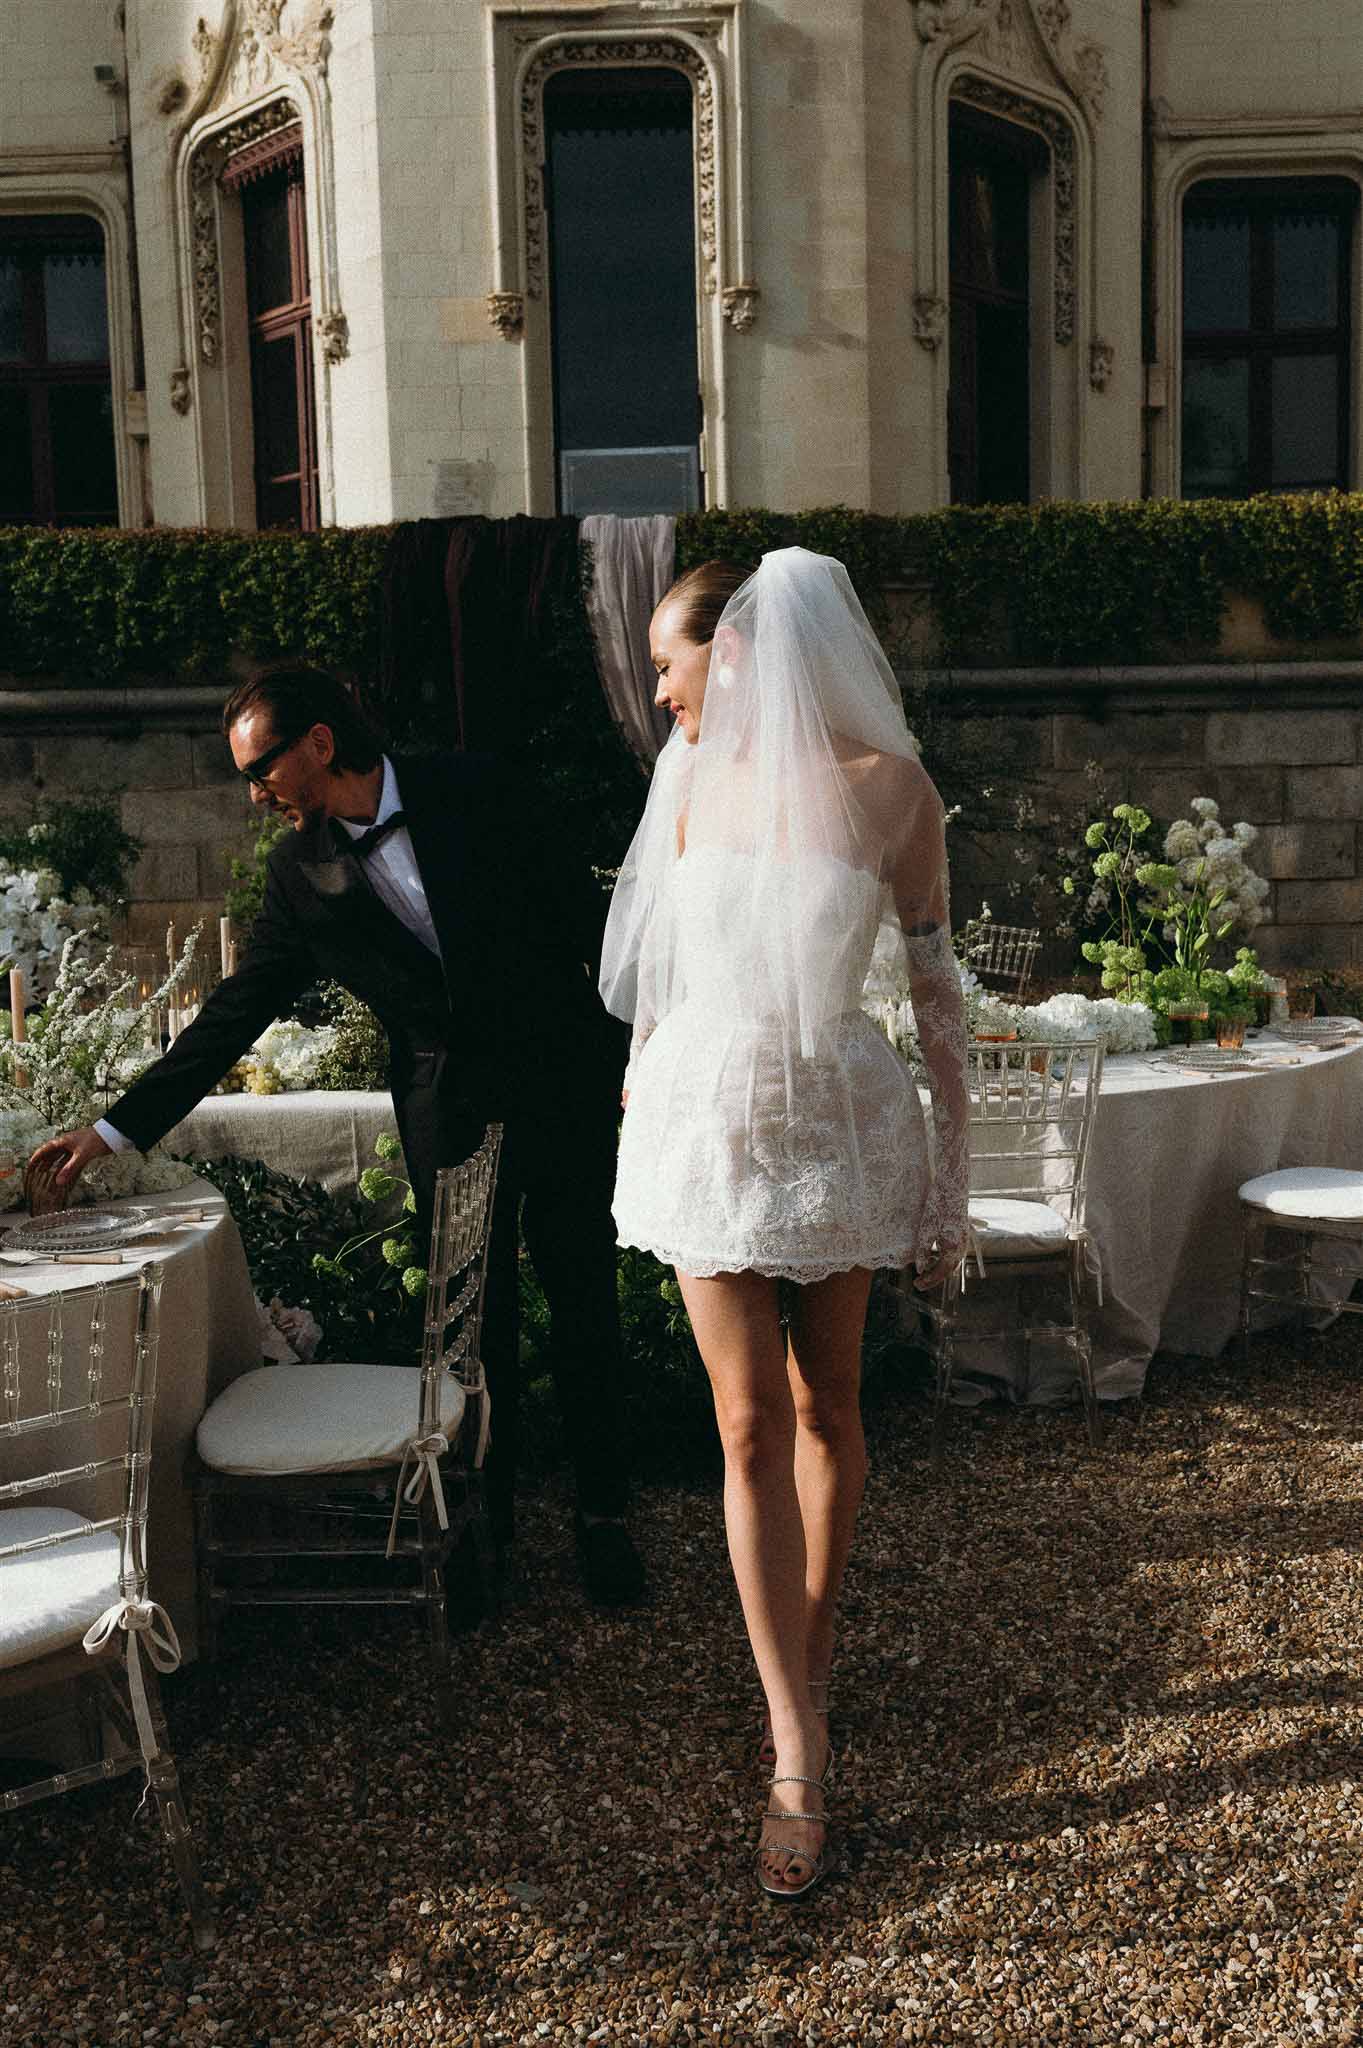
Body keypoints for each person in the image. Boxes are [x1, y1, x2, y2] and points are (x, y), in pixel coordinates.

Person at [26, 666, 646, 1608]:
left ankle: (604, 1519)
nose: (254, 792)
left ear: (319, 742)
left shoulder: (482, 787)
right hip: (448, 1107)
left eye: (261, 766)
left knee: (582, 1293)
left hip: (559, 1082)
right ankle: (482, 1527)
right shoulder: (295, 872)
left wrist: (632, 1056)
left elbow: (592, 928)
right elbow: (232, 1015)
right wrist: (111, 1132)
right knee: (469, 1330)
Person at [599, 549, 970, 1898]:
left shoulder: (891, 792)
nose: (658, 694)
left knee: (827, 1411)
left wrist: (946, 1181)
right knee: (745, 1418)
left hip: (840, 1127)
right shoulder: (685, 783)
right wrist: (646, 1103)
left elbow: (933, 999)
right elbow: (654, 981)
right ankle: (794, 1734)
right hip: (706, 1128)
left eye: (668, 664)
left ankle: (802, 1645)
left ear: (737, 654)